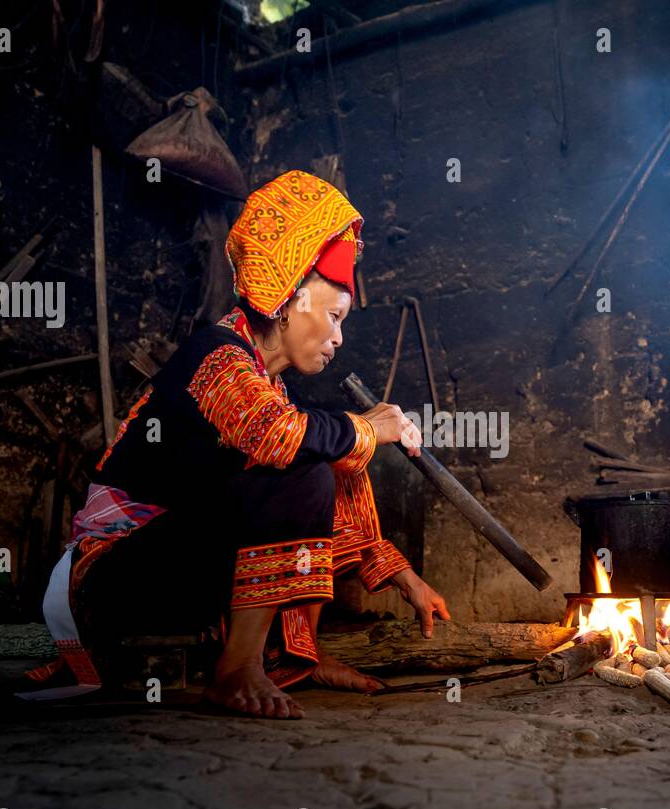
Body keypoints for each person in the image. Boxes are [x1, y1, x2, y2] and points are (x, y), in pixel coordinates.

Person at [39, 169, 448, 719]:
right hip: (113, 582)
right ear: (288, 301)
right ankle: (237, 670)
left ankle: (294, 653)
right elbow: (280, 437)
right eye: (332, 316)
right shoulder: (218, 355)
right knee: (304, 468)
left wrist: (406, 579)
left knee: (319, 462)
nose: (338, 337)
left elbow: (295, 446)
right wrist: (369, 426)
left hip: (178, 574)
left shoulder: (266, 382)